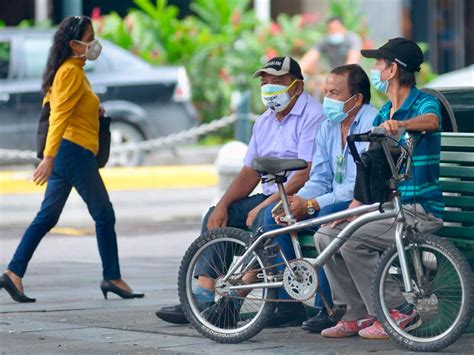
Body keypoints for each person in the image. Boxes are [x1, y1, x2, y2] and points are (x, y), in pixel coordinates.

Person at [155, 56, 325, 325]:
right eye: (266, 82)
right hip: (270, 194)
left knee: (263, 220)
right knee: (217, 216)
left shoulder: (313, 115)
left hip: (298, 197)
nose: (269, 88)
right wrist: (223, 205)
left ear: (297, 86)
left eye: (277, 82)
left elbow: (306, 173)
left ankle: (234, 304)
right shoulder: (265, 121)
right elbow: (250, 172)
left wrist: (263, 205)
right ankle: (202, 299)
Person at [0, 16, 143, 302]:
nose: (93, 44)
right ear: (74, 44)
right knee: (104, 213)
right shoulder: (70, 72)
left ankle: (13, 272)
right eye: (89, 38)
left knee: (48, 216)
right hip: (73, 151)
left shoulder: (73, 70)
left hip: (70, 150)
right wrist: (49, 157)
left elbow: (67, 108)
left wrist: (94, 111)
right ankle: (112, 277)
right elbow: (59, 115)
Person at [315, 38, 444, 339]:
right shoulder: (384, 111)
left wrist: (402, 125)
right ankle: (357, 314)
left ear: (393, 70)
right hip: (389, 208)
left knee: (351, 241)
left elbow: (433, 121)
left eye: (379, 64)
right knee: (327, 236)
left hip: (419, 209)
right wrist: (353, 209)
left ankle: (398, 309)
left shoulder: (423, 101)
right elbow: (371, 168)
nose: (375, 69)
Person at [260, 64, 378, 330]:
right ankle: (290, 302)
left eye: (335, 93)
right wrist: (297, 202)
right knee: (275, 215)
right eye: (326, 92)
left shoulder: (371, 121)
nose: (327, 99)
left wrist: (312, 205)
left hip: (363, 201)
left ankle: (330, 307)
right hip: (333, 197)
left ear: (356, 99)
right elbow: (321, 177)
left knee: (327, 218)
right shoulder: (329, 125)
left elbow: (358, 184)